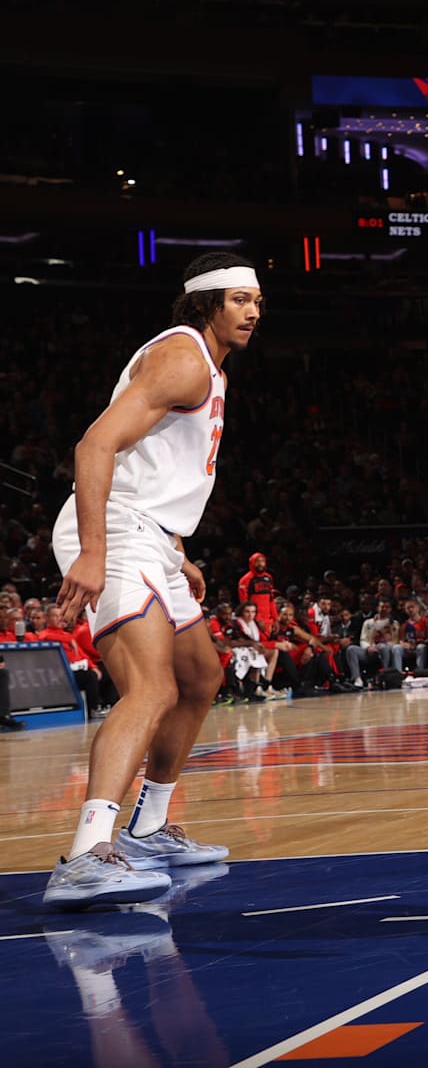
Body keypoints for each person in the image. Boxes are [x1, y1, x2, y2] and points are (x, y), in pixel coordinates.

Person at [44, 252, 261, 908]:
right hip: (112, 530)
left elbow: (156, 469)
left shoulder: (210, 369)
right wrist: (92, 549)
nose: (253, 311)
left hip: (147, 535)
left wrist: (175, 548)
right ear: (205, 303)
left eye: (257, 301)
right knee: (151, 687)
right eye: (238, 299)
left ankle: (148, 827)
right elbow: (94, 446)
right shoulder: (184, 358)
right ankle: (86, 854)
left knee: (200, 678)